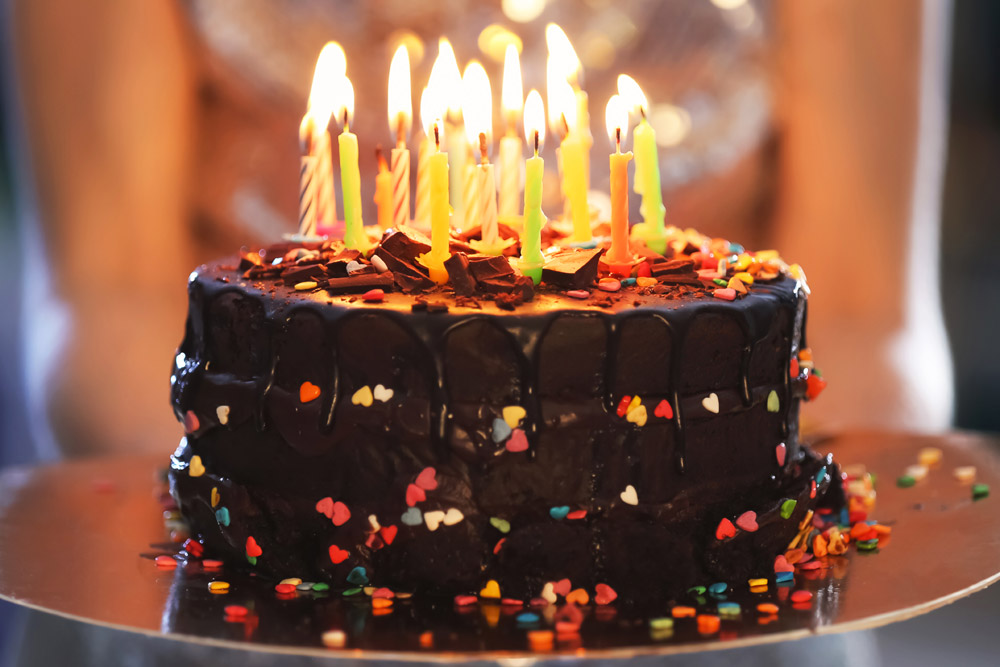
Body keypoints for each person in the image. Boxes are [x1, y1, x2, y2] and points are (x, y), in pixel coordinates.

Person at [1, 0, 952, 664]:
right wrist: (286, 538)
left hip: (716, 618)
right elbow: (103, 299)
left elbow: (872, 322)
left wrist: (675, 537)